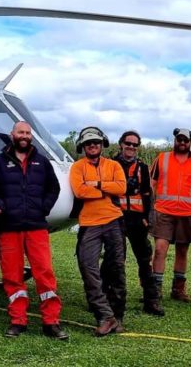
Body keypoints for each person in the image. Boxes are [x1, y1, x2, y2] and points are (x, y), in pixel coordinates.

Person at [0, 121, 68, 340]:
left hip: (36, 227)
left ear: (32, 136)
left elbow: (53, 187)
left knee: (45, 274)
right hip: (9, 228)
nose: (25, 136)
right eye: (21, 132)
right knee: (12, 276)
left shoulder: (42, 162)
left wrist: (44, 207)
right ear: (12, 134)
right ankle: (18, 320)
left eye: (28, 133)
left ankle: (51, 322)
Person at [69, 126, 127, 336]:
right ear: (82, 146)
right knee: (88, 267)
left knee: (116, 269)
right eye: (88, 143)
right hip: (89, 223)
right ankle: (105, 316)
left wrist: (97, 183)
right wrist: (105, 188)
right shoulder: (77, 167)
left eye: (96, 142)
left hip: (114, 221)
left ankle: (118, 316)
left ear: (102, 144)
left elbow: (121, 188)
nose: (92, 146)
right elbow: (80, 190)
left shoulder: (114, 165)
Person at [149, 128, 191, 315]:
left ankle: (178, 289)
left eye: (185, 140)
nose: (182, 143)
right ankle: (155, 289)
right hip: (163, 212)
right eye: (179, 139)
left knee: (182, 251)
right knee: (160, 249)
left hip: (188, 213)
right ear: (175, 140)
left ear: (190, 141)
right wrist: (150, 208)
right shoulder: (162, 158)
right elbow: (151, 184)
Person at [108, 130, 157, 314]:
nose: (131, 147)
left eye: (135, 145)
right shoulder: (110, 165)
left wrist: (147, 220)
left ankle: (151, 300)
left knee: (145, 259)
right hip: (116, 219)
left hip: (137, 220)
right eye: (128, 143)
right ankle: (110, 298)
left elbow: (147, 195)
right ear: (121, 144)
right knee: (114, 260)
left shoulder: (142, 168)